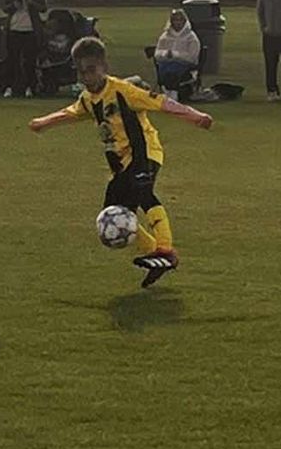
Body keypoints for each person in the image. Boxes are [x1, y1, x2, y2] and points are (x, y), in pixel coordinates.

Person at [28, 37, 212, 289]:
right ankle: (153, 253)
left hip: (144, 152)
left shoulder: (123, 91)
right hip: (121, 163)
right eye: (81, 72)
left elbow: (161, 103)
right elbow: (70, 112)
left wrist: (195, 116)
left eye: (91, 70)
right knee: (111, 213)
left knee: (143, 193)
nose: (87, 77)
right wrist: (43, 122)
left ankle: (165, 250)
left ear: (104, 66)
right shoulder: (87, 98)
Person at [2, 0, 47, 98]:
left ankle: (30, 87)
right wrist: (14, 5)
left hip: (30, 29)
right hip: (14, 27)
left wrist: (31, 2)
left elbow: (43, 8)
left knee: (30, 60)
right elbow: (5, 7)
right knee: (12, 59)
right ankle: (10, 86)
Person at [152, 8, 202, 100]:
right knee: (165, 68)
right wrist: (165, 54)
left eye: (180, 20)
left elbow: (192, 57)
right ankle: (168, 93)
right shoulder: (165, 36)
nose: (178, 23)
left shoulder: (191, 37)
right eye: (175, 20)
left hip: (185, 65)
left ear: (184, 21)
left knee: (173, 69)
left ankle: (172, 94)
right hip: (166, 63)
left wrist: (176, 55)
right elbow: (157, 53)